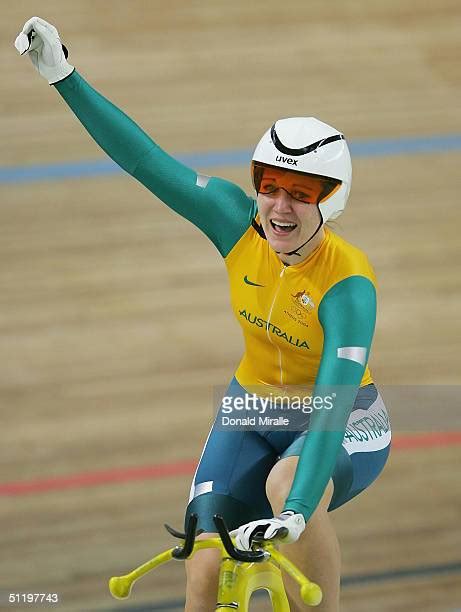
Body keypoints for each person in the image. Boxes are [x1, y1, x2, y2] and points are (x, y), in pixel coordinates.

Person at [15, 17, 392, 612]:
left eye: (301, 192)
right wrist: (65, 77)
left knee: (286, 486)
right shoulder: (232, 220)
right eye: (270, 185)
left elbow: (332, 403)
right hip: (251, 407)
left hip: (344, 421)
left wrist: (294, 515)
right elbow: (146, 162)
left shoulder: (348, 286)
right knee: (205, 570)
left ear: (332, 200)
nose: (279, 206)